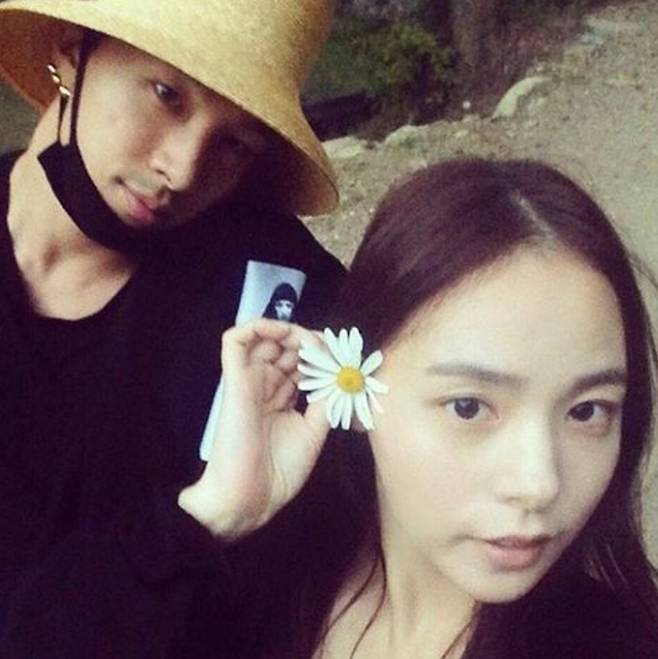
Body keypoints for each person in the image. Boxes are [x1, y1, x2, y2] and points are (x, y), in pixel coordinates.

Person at [174, 158, 657, 658]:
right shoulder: (265, 578)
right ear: (353, 385)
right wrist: (213, 515)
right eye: (468, 407)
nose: (539, 485)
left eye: (588, 411)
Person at [0, 0, 344, 654]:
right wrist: (197, 524)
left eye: (235, 142)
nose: (183, 170)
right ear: (71, 49)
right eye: (167, 95)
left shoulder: (274, 297)